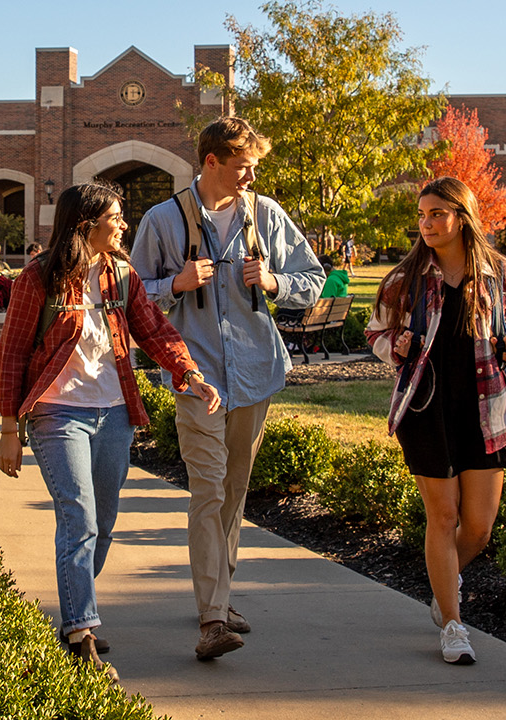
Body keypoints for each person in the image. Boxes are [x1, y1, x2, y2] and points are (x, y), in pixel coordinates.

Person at [0, 181, 222, 664]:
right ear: (86, 225)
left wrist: (191, 374)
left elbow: (154, 329)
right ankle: (82, 633)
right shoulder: (37, 278)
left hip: (114, 411)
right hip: (57, 412)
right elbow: (12, 355)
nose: (123, 225)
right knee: (78, 518)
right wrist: (9, 431)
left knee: (103, 523)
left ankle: (78, 608)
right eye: (115, 218)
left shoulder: (121, 274)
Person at [129, 116, 326, 661]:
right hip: (197, 377)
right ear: (211, 162)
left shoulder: (267, 215)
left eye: (254, 168)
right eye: (242, 167)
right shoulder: (164, 221)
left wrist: (273, 282)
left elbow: (313, 279)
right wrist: (176, 283)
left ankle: (221, 595)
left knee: (234, 494)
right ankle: (213, 617)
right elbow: (132, 296)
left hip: (256, 373)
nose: (250, 176)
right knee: (208, 490)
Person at [366, 176, 506, 667]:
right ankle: (454, 624)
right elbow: (376, 330)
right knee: (442, 517)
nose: (427, 224)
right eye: (422, 215)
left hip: (485, 408)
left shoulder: (501, 275)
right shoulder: (406, 278)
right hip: (427, 408)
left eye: (437, 213)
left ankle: (442, 585)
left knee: (479, 528)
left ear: (462, 216)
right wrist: (393, 348)